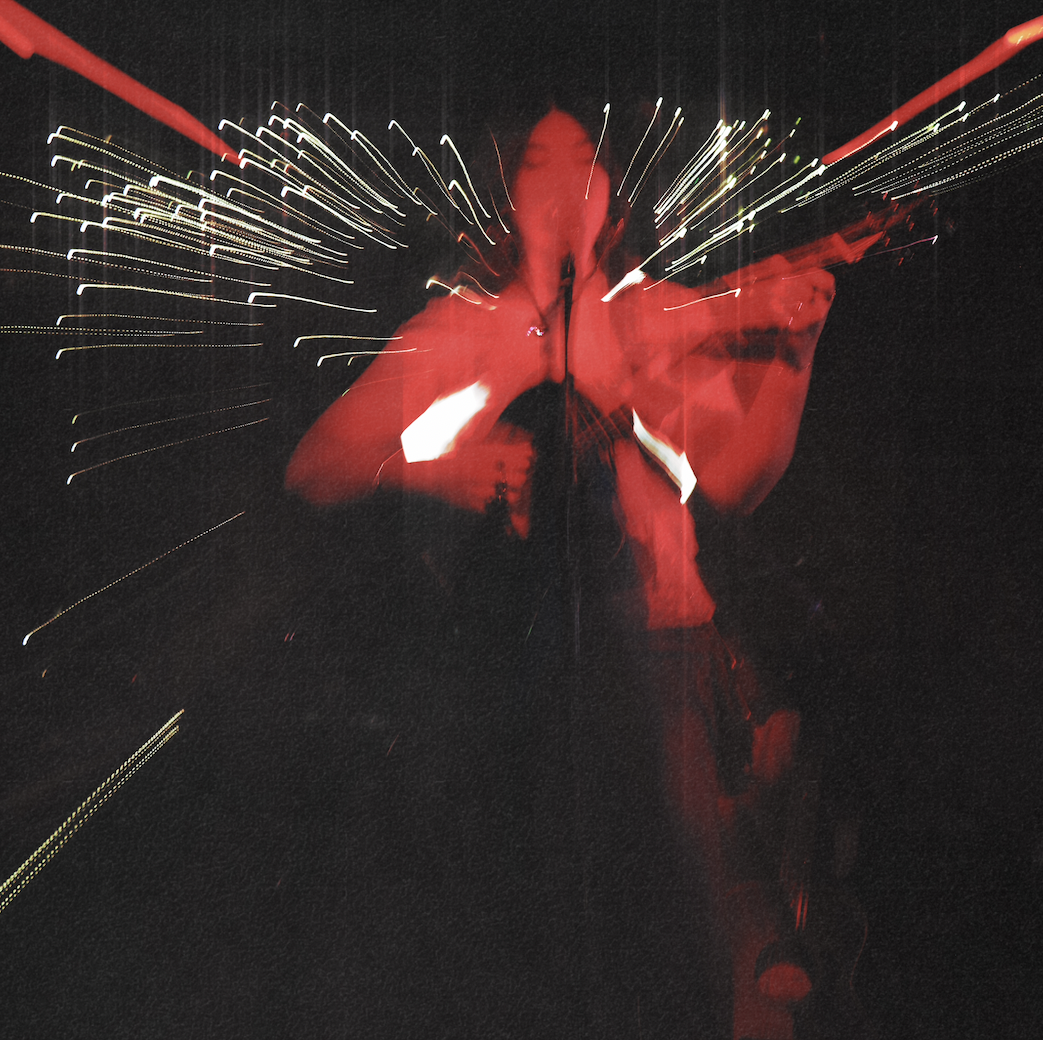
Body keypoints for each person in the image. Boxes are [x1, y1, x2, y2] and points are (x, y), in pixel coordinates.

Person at [286, 108, 835, 1038]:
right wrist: (432, 472)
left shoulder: (658, 315)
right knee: (523, 939)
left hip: (659, 655)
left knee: (677, 932)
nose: (566, 177)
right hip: (511, 665)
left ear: (610, 200)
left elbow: (739, 479)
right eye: (539, 160)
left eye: (587, 158)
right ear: (511, 197)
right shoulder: (459, 330)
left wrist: (794, 357)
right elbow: (316, 467)